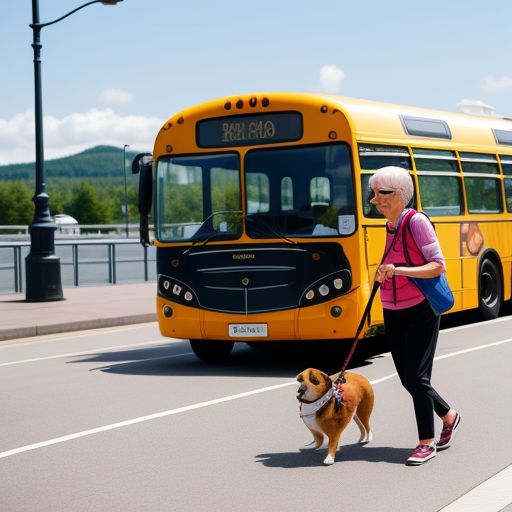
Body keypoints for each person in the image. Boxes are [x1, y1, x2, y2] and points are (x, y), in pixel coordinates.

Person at [369, 166, 461, 466]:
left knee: (418, 378)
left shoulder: (417, 221)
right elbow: (396, 259)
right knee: (408, 377)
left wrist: (399, 271)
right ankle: (449, 415)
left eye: (383, 193)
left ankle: (426, 442)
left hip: (421, 308)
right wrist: (385, 273)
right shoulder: (390, 224)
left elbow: (438, 265)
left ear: (401, 194)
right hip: (393, 308)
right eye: (374, 193)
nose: (376, 200)